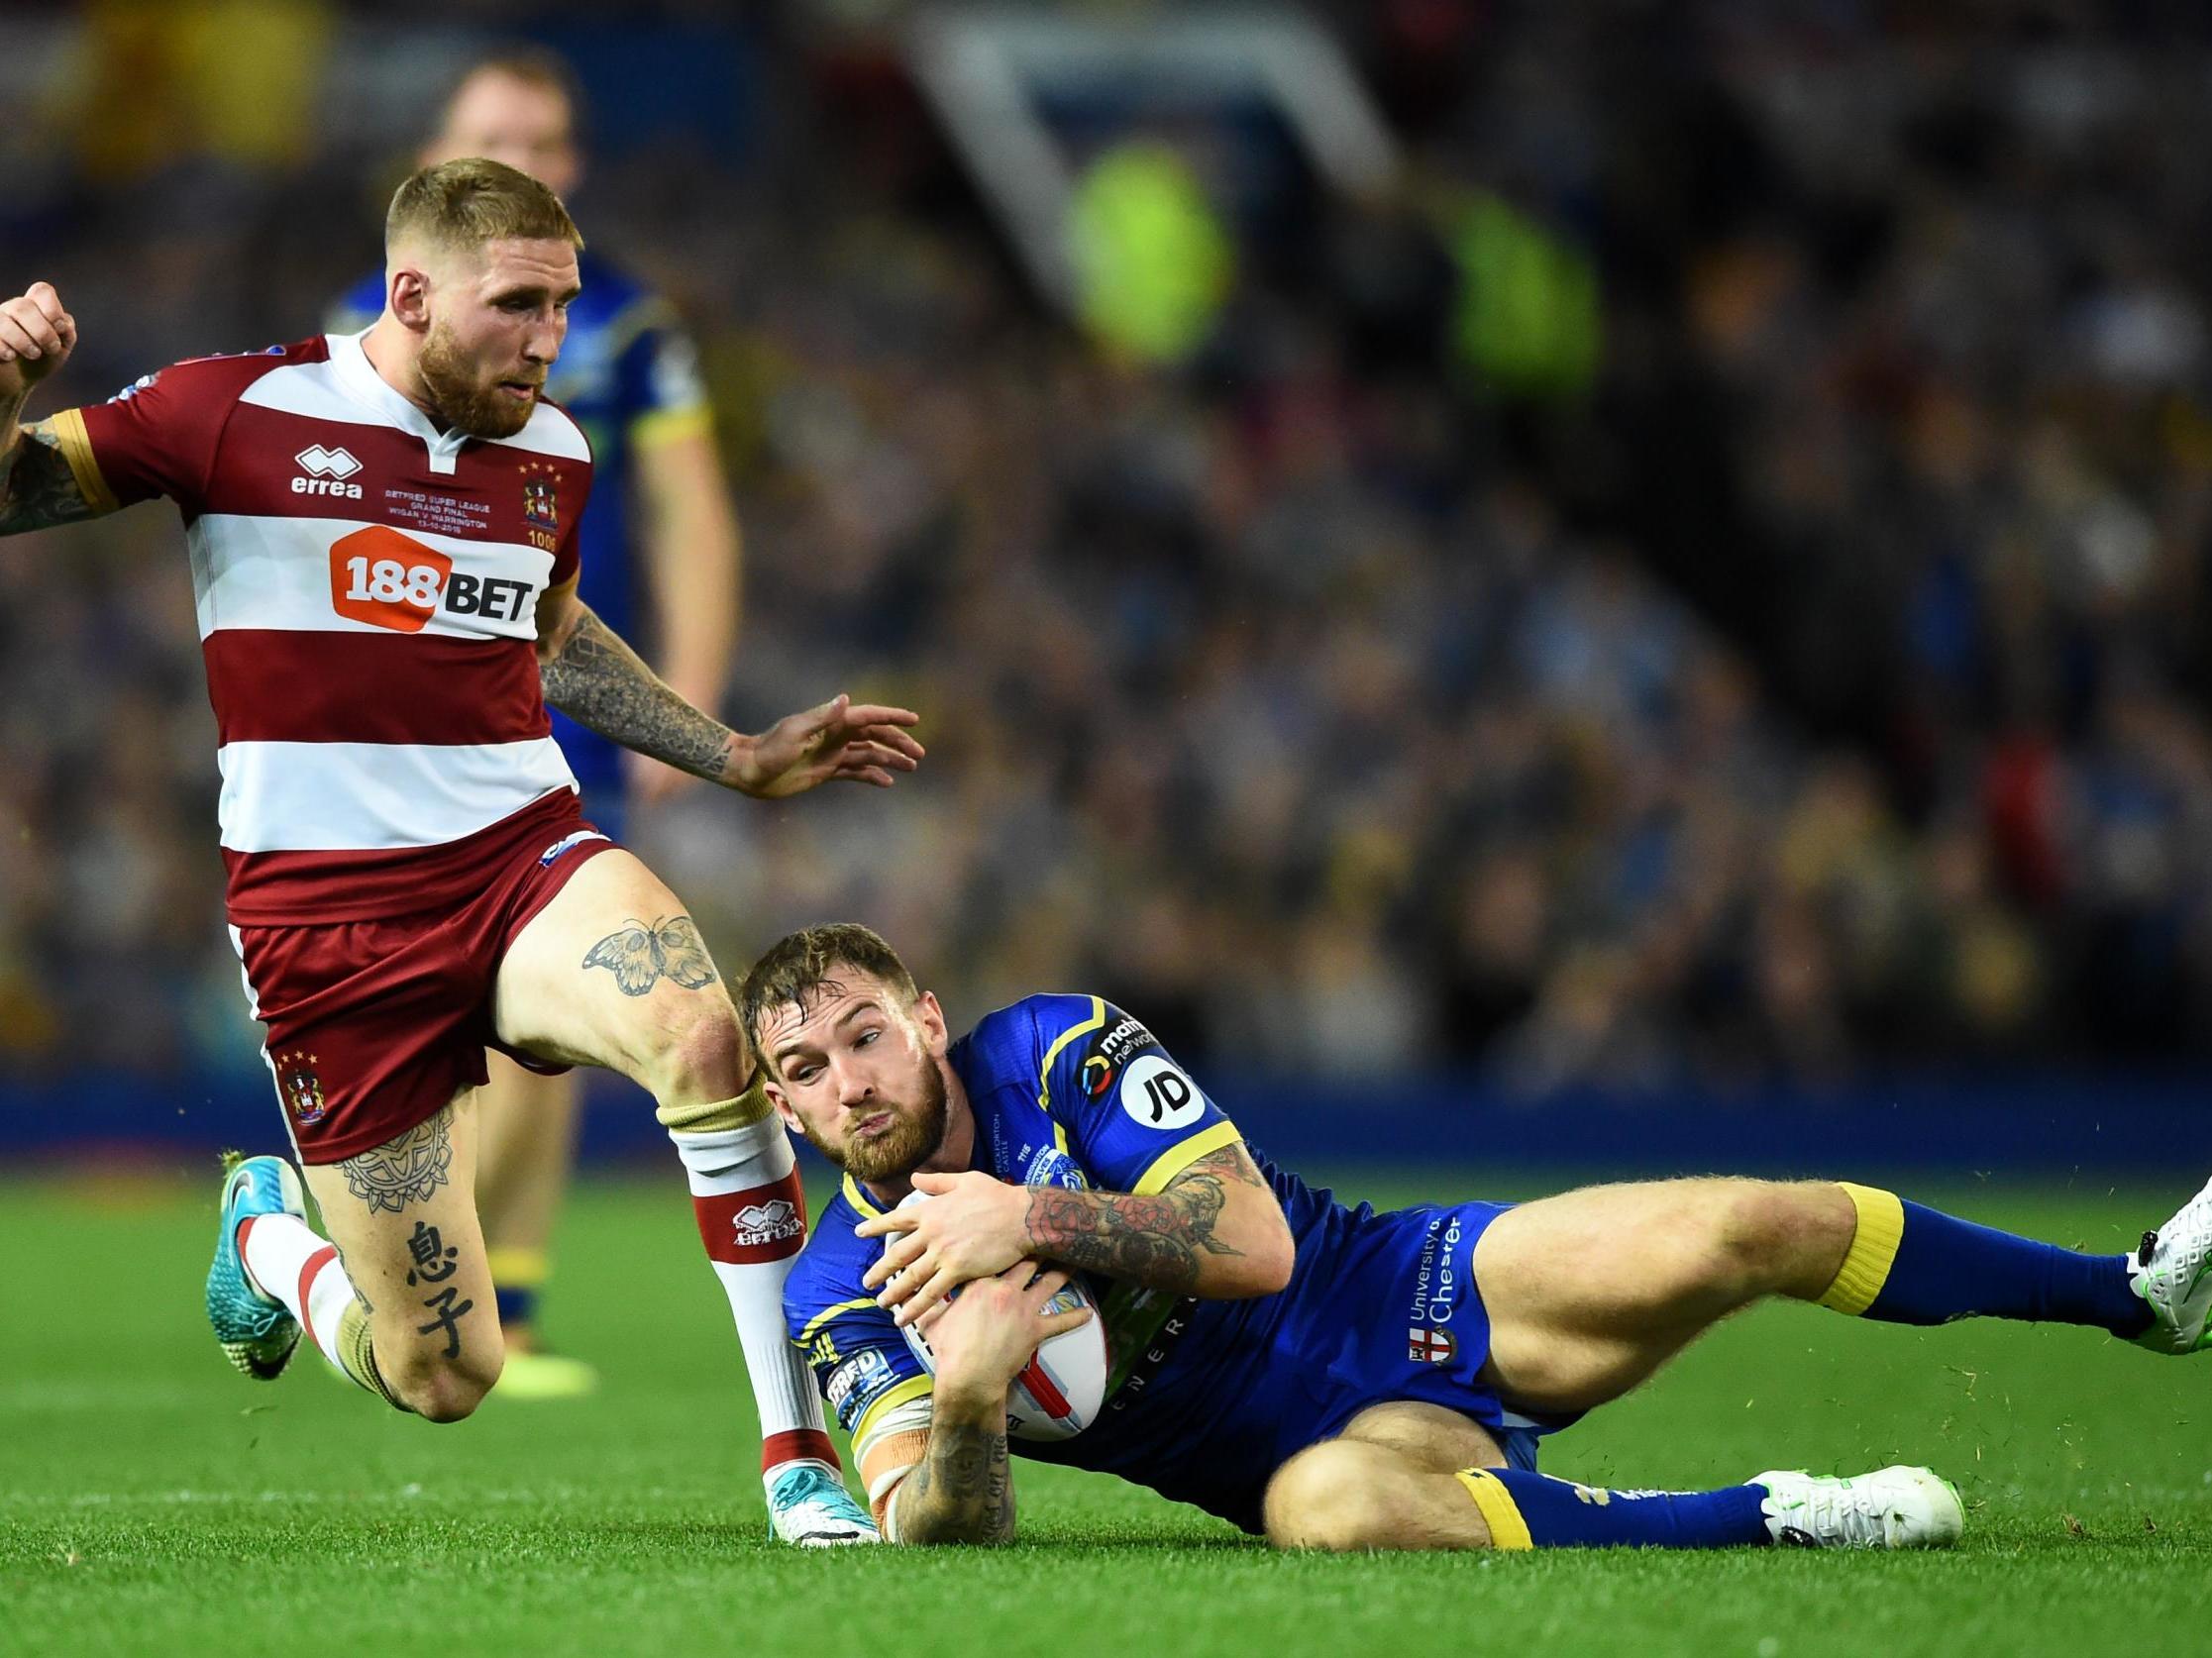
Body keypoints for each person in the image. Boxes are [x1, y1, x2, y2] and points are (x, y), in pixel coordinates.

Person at [0, 162, 914, 1545]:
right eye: (520, 305)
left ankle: (797, 1456)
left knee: (703, 1036)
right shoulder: (233, 411)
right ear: (412, 294)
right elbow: (14, 495)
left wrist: (724, 753)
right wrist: (6, 386)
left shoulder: (550, 450)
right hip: (325, 924)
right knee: (443, 1372)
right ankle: (266, 1232)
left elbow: (542, 631)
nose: (551, 339)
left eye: (563, 302)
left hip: (519, 853)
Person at [747, 922, 2212, 1550]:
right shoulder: (837, 1281)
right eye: (807, 1070)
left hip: (1406, 1287)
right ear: (783, 1102)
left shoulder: (1052, 1048)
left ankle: (2132, 1290)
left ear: (925, 1019)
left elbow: (1252, 1243)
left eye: (867, 1036)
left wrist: (1032, 1215)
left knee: (1757, 1221)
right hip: (1309, 1455)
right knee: (1320, 1514)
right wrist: (965, 1405)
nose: (851, 1082)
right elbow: (934, 1524)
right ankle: (1764, 1512)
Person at [325, 49, 743, 1399]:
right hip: (404, 718)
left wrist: (683, 705)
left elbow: (687, 510)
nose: (531, 159)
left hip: (563, 696)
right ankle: (416, 1275)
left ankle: (513, 1292)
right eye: (498, 136)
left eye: (550, 140)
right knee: (498, 1013)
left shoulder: (622, 323)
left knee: (562, 1019)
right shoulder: (357, 325)